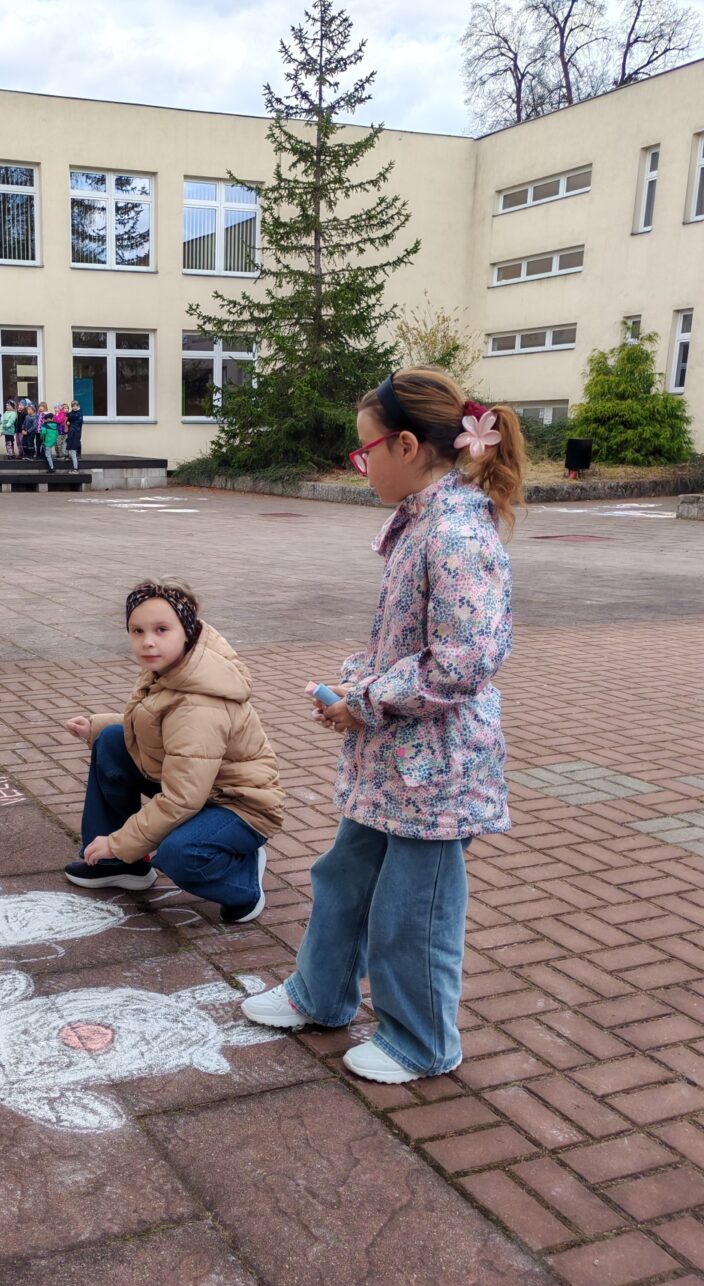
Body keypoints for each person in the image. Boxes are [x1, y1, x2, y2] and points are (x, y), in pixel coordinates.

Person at [242, 368, 525, 1085]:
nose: (361, 466)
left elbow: (464, 661)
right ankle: (321, 993)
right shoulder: (424, 520)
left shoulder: (455, 531)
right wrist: (356, 687)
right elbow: (408, 642)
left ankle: (422, 1041)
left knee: (413, 909)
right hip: (397, 755)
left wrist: (364, 700)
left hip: (436, 768)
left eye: (365, 451)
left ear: (405, 445)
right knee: (345, 875)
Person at [63, 578, 283, 924]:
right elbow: (163, 726)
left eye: (161, 629)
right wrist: (100, 726)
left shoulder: (199, 704)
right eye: (137, 631)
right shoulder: (173, 666)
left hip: (239, 805)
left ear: (187, 630)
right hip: (200, 787)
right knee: (112, 740)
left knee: (180, 853)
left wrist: (119, 841)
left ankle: (242, 881)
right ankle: (118, 866)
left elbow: (182, 797)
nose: (148, 641)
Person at [65, 401, 84, 470]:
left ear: (78, 406)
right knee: (68, 441)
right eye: (73, 406)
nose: (75, 407)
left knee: (77, 442)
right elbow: (68, 417)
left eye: (76, 406)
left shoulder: (80, 412)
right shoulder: (71, 413)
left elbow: (79, 421)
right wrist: (69, 420)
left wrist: (71, 420)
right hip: (71, 431)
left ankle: (78, 454)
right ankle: (67, 455)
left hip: (77, 431)